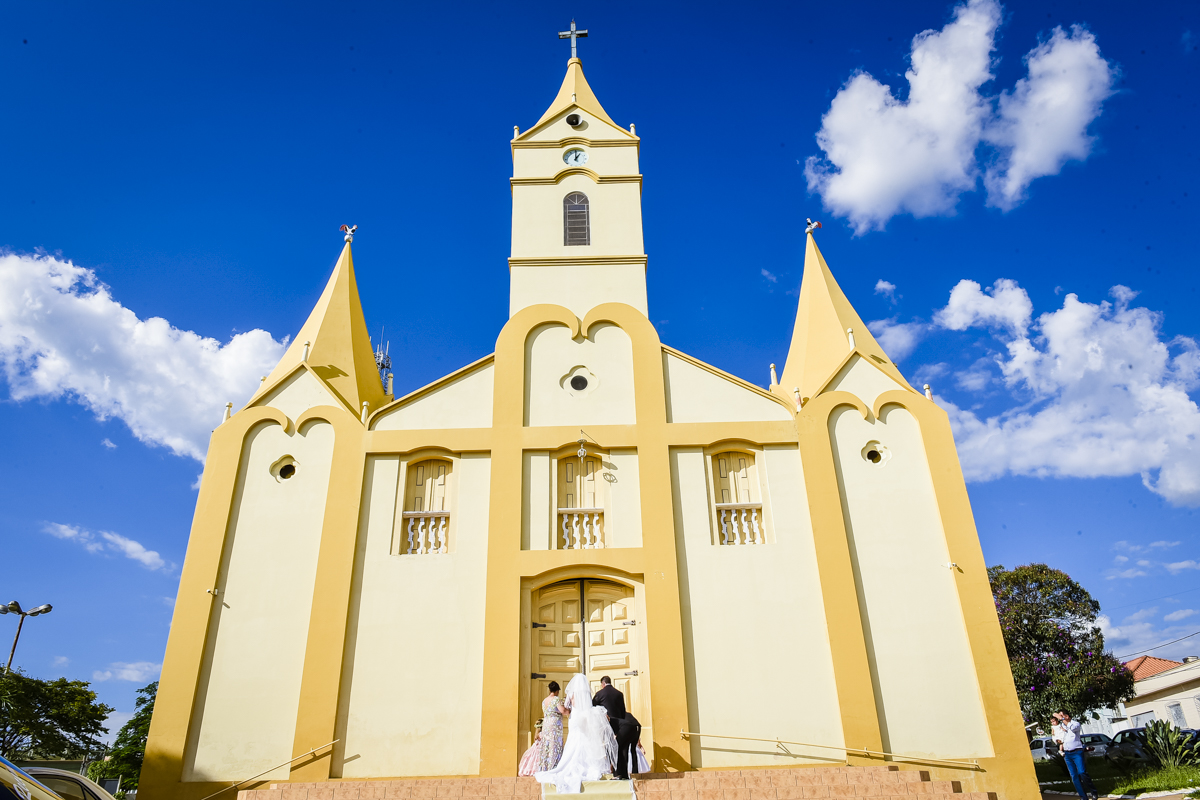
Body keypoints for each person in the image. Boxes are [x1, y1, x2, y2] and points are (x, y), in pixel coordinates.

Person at [535, 674, 618, 793]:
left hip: (575, 718)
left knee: (574, 739)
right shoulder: (587, 693)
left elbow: (568, 706)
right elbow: (589, 705)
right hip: (585, 717)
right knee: (585, 739)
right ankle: (588, 764)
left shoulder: (571, 693)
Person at [1052, 710, 1098, 800]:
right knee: (1074, 776)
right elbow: (1058, 736)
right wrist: (1058, 740)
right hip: (1067, 754)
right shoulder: (1061, 726)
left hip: (1077, 752)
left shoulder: (1075, 724)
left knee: (1082, 772)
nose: (1060, 718)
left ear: (1067, 716)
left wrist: (1061, 718)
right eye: (1060, 716)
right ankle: (1083, 797)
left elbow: (1072, 728)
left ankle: (1093, 791)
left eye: (1062, 715)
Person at [537, 682, 567, 772]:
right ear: (557, 691)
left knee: (547, 744)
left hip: (546, 723)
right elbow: (562, 710)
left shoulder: (544, 700)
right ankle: (554, 765)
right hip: (554, 724)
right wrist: (568, 710)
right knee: (554, 743)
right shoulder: (556, 700)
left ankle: (545, 766)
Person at [615, 711, 642, 779]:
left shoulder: (620, 716)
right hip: (637, 728)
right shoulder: (627, 714)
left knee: (625, 750)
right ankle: (635, 770)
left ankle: (625, 771)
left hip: (631, 729)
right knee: (633, 750)